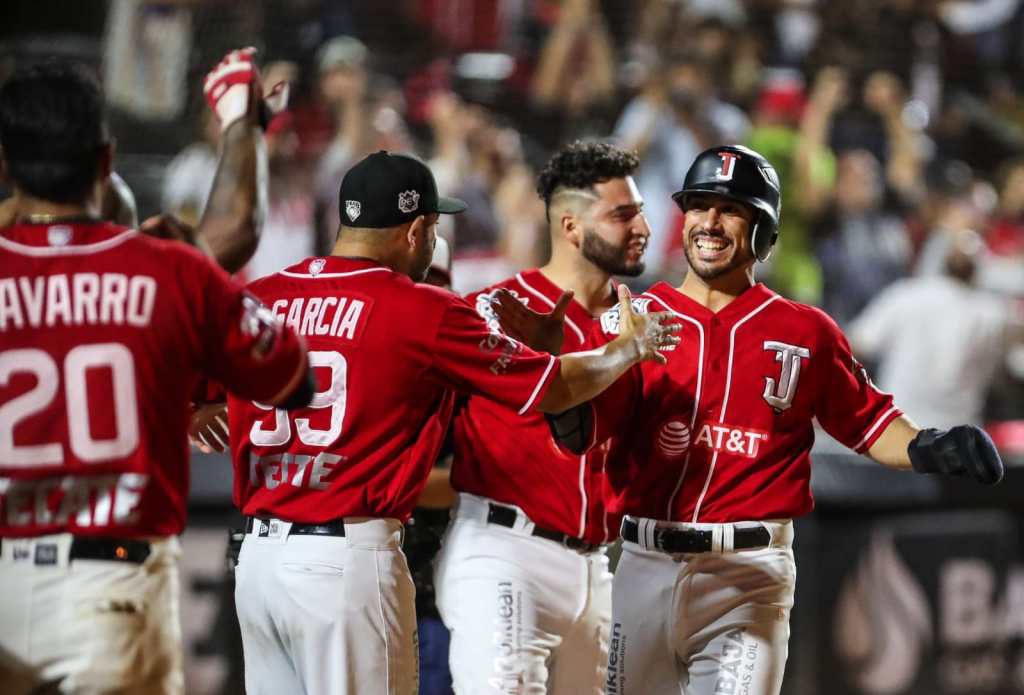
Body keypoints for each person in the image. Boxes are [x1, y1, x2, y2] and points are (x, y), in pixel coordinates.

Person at [512, 144, 1005, 695]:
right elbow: (580, 431)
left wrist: (928, 447)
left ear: (764, 229)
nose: (709, 222)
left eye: (730, 208)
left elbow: (868, 423)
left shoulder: (806, 330)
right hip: (642, 564)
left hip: (748, 573)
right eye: (698, 206)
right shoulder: (633, 319)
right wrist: (569, 373)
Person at [225, 149, 679, 695]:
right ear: (417, 230)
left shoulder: (262, 296)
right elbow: (553, 387)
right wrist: (627, 348)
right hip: (346, 559)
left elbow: (191, 392)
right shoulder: (421, 308)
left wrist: (210, 413)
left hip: (258, 561)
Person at [0, 52, 312, 694]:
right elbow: (293, 379)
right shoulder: (165, 266)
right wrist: (239, 124)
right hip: (113, 583)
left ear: (6, 167)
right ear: (107, 160)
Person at [434, 141, 649, 694]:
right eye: (622, 215)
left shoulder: (641, 322)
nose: (642, 226)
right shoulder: (498, 309)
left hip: (598, 566)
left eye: (641, 210)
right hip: (506, 552)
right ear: (572, 226)